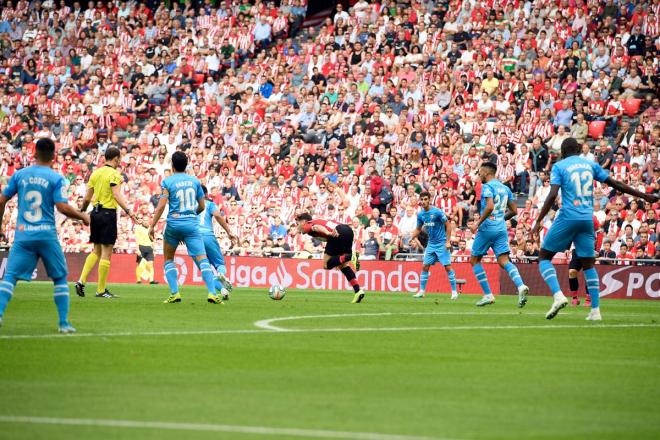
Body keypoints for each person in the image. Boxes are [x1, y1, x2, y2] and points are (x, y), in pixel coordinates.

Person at [532, 137, 658, 321]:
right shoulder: (590, 164)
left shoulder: (559, 166)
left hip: (568, 216)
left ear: (563, 151)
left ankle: (558, 295)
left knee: (544, 256)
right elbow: (617, 184)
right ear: (578, 150)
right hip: (587, 218)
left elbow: (552, 194)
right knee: (588, 263)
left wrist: (538, 220)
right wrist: (644, 196)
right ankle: (595, 311)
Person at [0, 138, 90, 333]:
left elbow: (2, 200)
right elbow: (62, 207)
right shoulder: (56, 178)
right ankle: (64, 323)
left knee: (10, 277)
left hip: (24, 235)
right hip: (47, 234)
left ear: (34, 152)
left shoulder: (20, 175)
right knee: (59, 277)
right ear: (53, 156)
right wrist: (82, 216)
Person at [148, 151, 225, 304]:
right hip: (192, 226)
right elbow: (202, 206)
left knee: (168, 258)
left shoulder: (168, 182)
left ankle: (175, 293)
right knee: (203, 260)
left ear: (172, 165)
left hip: (173, 225)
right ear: (186, 164)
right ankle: (212, 293)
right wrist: (190, 215)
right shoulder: (195, 182)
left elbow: (161, 206)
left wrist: (152, 226)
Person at [75, 147, 136, 298]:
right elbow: (116, 194)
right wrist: (129, 211)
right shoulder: (115, 174)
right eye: (119, 159)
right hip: (107, 213)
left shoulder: (95, 173)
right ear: (115, 158)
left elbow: (87, 198)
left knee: (96, 251)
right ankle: (101, 290)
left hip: (95, 213)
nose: (120, 161)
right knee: (106, 253)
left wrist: (82, 211)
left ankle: (81, 281)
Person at [469, 162, 530, 307]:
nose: (479, 175)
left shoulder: (487, 187)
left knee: (475, 260)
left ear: (485, 172)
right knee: (504, 261)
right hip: (501, 228)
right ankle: (521, 286)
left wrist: (477, 223)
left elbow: (489, 206)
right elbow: (515, 210)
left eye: (480, 172)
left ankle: (488, 295)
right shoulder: (505, 188)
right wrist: (501, 219)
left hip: (487, 228)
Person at [295, 212, 365, 303]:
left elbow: (316, 227)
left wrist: (328, 233)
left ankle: (351, 256)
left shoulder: (308, 224)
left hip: (336, 232)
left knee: (326, 265)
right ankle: (358, 291)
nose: (297, 226)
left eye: (298, 223)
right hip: (348, 231)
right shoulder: (318, 221)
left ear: (304, 221)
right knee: (343, 266)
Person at [409, 191, 458, 299]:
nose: (423, 201)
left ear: (429, 200)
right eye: (421, 200)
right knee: (425, 266)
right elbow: (418, 229)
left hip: (441, 243)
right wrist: (411, 237)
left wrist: (448, 241)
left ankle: (454, 292)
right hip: (431, 243)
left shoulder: (437, 212)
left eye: (425, 199)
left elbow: (448, 225)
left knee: (448, 267)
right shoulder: (421, 214)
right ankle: (421, 291)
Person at [199, 185, 238, 300]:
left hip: (194, 238)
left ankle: (222, 290)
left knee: (205, 270)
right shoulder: (210, 204)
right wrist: (229, 232)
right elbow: (218, 215)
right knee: (219, 263)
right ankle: (220, 274)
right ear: (206, 194)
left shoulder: (191, 206)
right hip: (207, 235)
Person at [134, 218, 157, 285]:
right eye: (144, 221)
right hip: (141, 247)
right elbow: (137, 239)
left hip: (149, 248)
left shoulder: (151, 229)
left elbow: (153, 239)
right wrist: (137, 249)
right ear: (142, 222)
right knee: (140, 264)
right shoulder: (138, 228)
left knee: (151, 264)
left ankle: (151, 280)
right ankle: (138, 280)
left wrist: (154, 250)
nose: (146, 222)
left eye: (147, 221)